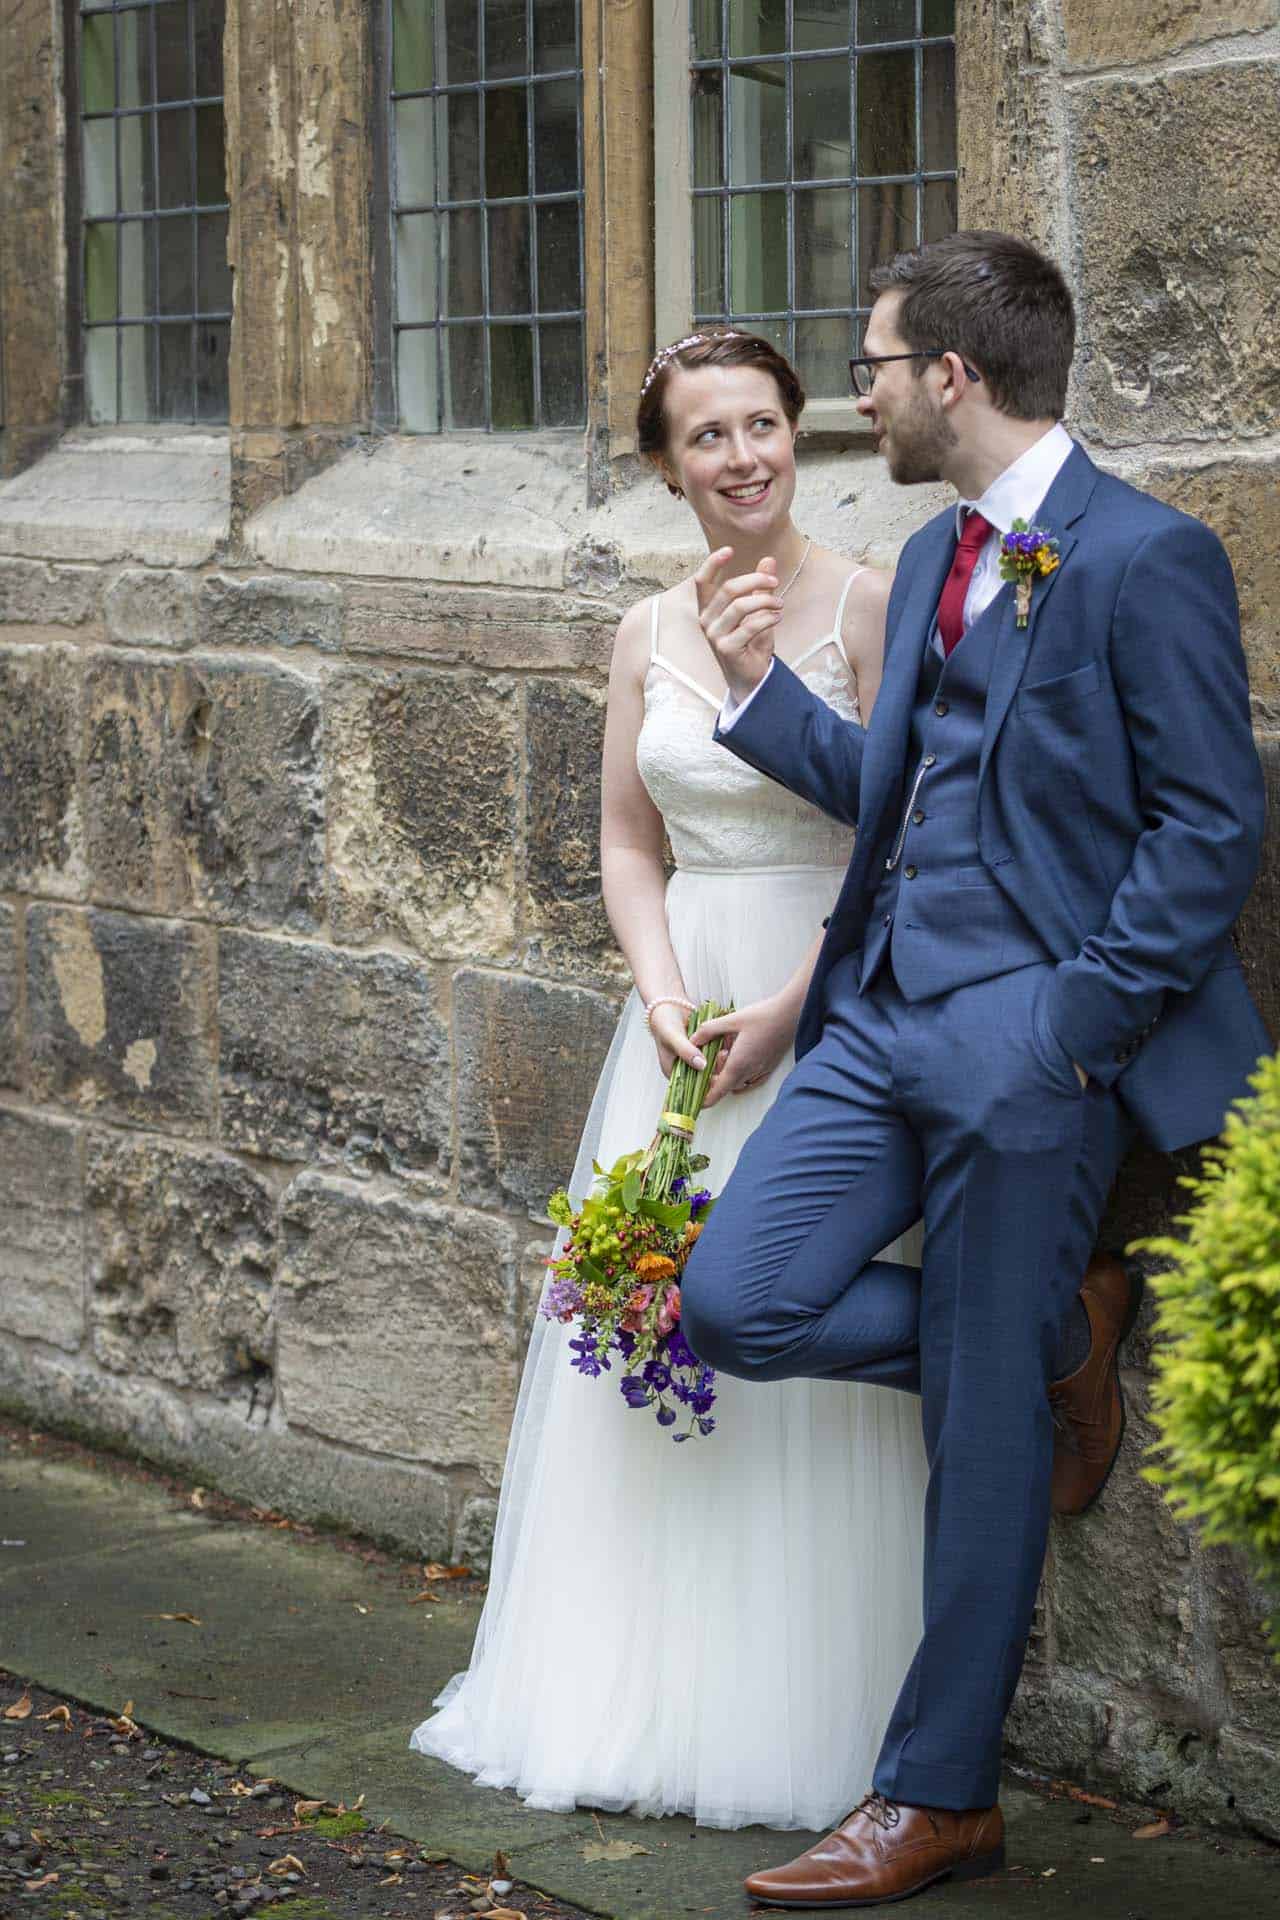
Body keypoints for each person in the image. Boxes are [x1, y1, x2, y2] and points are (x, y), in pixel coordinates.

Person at [681, 231, 1269, 1908]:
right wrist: (755, 700)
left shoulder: (1149, 558)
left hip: (1029, 1047)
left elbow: (1210, 827)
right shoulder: (942, 551)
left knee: (980, 1432)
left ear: (953, 374)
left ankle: (937, 1798)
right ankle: (1045, 1338)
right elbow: (913, 782)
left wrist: (1067, 1030)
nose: (854, 395)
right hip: (878, 1023)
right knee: (735, 1302)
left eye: (872, 365)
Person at [409, 328, 932, 1832]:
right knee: (646, 1333)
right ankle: (631, 1691)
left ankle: (803, 1716)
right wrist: (661, 993)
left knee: (779, 1317)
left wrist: (792, 1003)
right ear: (666, 465)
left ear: (801, 436)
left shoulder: (875, 605)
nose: (744, 456)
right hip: (680, 1015)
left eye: (765, 424)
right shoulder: (644, 628)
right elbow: (631, 839)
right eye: (708, 436)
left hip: (822, 998)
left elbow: (895, 834)